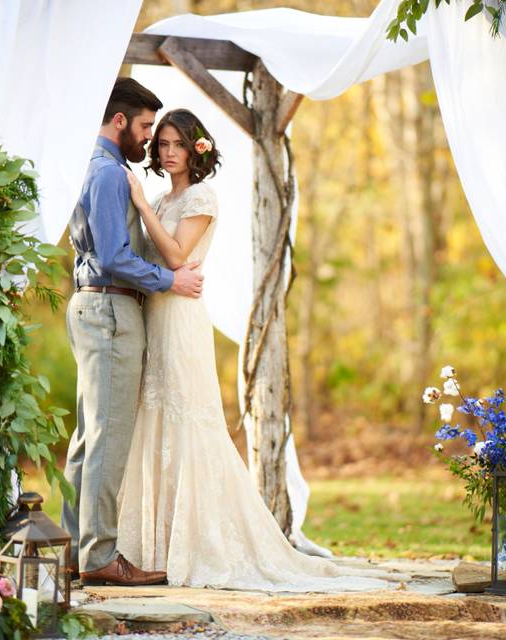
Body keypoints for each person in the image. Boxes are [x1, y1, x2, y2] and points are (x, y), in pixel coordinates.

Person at [116, 108, 389, 591]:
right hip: (152, 316)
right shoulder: (161, 197)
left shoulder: (202, 197)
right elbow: (150, 261)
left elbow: (178, 256)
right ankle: (153, 547)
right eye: (162, 144)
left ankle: (200, 544)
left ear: (196, 147)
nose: (169, 152)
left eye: (178, 143)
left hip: (180, 323)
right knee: (151, 419)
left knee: (186, 422)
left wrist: (139, 205)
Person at [63, 78, 203, 587]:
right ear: (119, 121)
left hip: (98, 308)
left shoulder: (103, 168)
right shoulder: (107, 174)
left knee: (88, 438)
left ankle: (75, 552)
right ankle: (99, 557)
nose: (149, 139)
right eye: (146, 127)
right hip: (110, 311)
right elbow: (113, 257)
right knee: (107, 438)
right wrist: (170, 279)